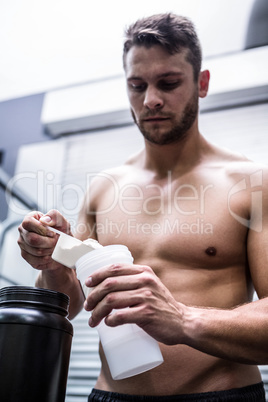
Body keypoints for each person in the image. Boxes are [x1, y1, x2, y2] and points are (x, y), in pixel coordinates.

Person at [18, 13, 268, 402]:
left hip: (219, 396)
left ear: (201, 84)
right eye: (137, 85)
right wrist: (54, 265)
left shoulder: (252, 183)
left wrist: (183, 320)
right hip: (111, 396)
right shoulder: (104, 187)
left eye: (168, 83)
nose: (151, 99)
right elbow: (67, 305)